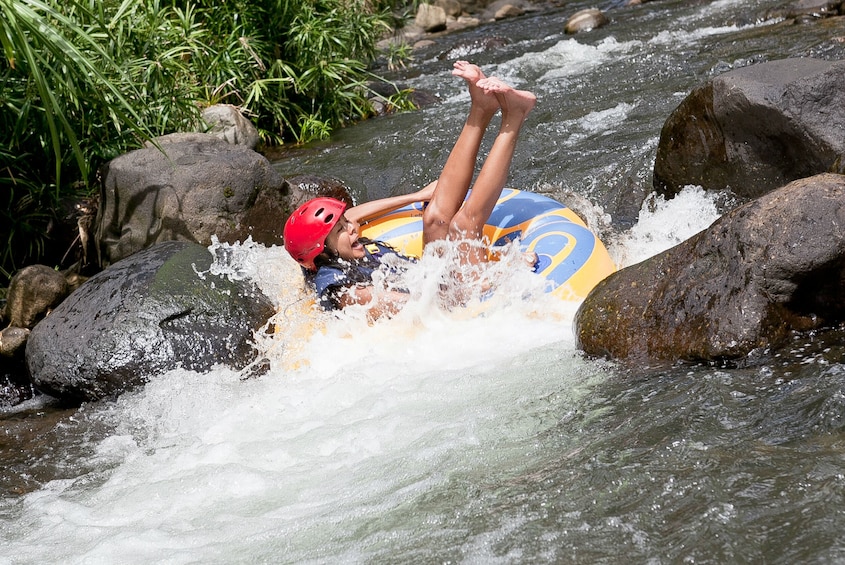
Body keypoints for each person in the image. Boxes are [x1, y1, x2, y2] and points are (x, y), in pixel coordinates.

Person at [284, 61, 537, 320]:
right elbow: (424, 306)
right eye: (341, 230)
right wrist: (499, 274)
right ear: (322, 251)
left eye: (345, 223)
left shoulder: (331, 254)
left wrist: (416, 196)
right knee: (463, 226)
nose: (352, 228)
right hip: (451, 311)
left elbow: (355, 213)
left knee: (435, 217)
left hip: (436, 282)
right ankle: (514, 117)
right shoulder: (343, 291)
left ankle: (481, 108)